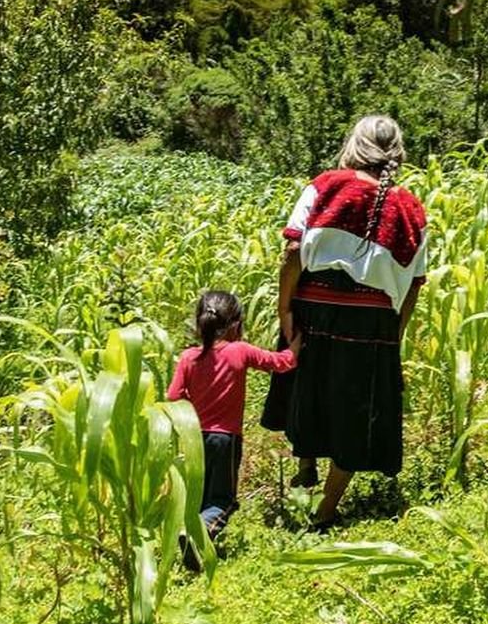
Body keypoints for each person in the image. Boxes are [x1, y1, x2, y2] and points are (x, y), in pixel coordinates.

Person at [260, 114, 427, 530]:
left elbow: (293, 254)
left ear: (355, 145)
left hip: (315, 307)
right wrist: (394, 336)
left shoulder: (326, 185)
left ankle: (305, 467)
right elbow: (413, 285)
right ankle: (327, 509)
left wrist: (285, 311)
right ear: (396, 152)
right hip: (374, 323)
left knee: (307, 387)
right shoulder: (410, 208)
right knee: (355, 409)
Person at [167, 291, 302, 559]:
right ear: (236, 325)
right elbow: (283, 362)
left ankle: (193, 545)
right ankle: (199, 532)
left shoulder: (188, 358)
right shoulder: (239, 351)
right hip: (225, 440)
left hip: (194, 440)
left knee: (202, 495)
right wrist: (296, 343)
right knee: (223, 500)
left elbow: (173, 396)